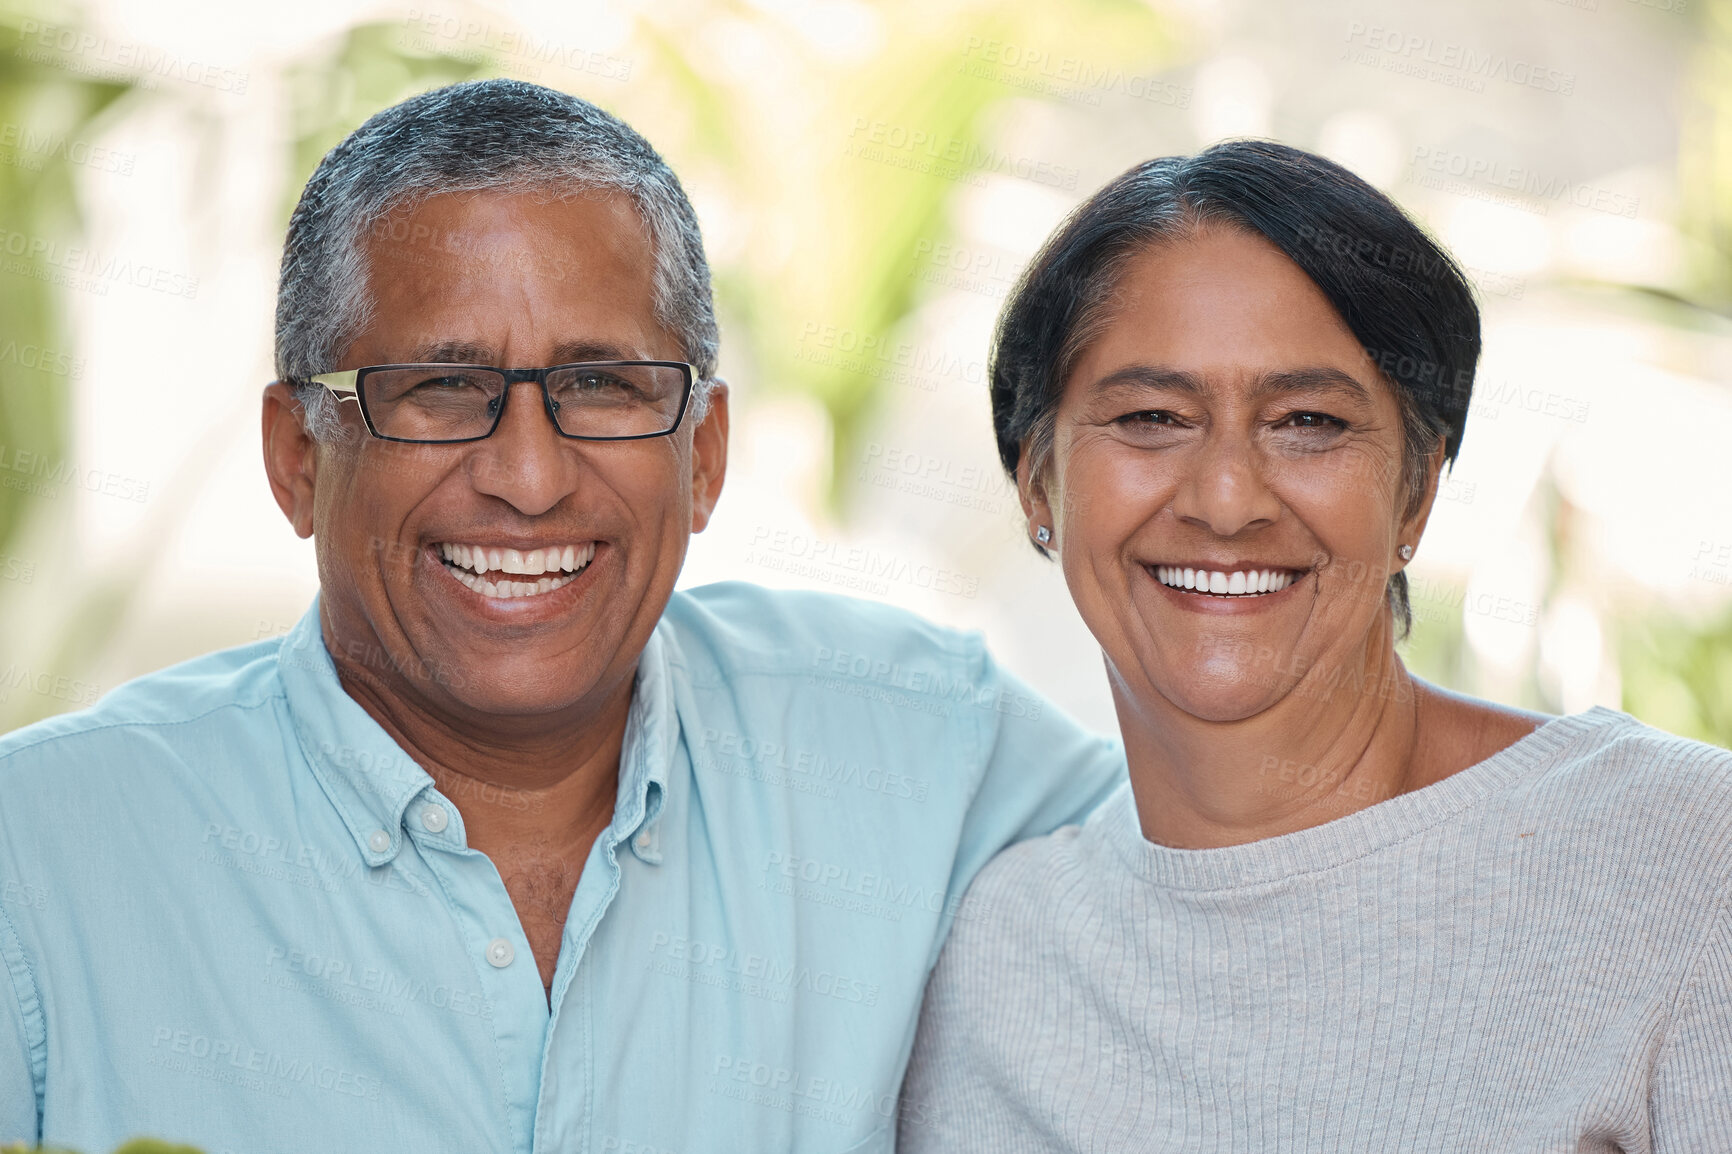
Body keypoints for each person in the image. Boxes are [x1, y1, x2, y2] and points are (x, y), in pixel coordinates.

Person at [0, 79, 1124, 1154]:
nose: (528, 477)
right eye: (438, 389)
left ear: (704, 454)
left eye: (601, 385)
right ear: (297, 458)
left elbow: (1255, 876)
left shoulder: (920, 750)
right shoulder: (40, 862)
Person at [896, 140, 1732, 1152]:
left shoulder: (1685, 862)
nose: (1225, 498)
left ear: (1416, 491)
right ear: (1039, 485)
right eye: (1152, 416)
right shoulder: (991, 953)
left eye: (1307, 421)